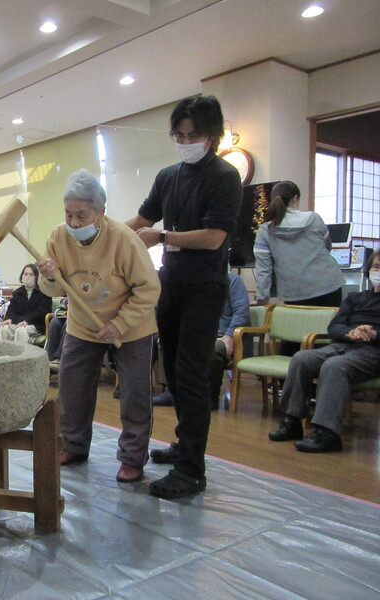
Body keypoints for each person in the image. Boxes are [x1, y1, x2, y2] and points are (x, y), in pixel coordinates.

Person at [126, 95, 242, 499]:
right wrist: (95, 233)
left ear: (212, 134)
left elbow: (214, 238)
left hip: (204, 289)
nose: (186, 141)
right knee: (173, 373)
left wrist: (163, 237)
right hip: (169, 285)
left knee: (192, 374)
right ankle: (183, 445)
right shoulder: (168, 176)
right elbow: (140, 221)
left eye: (193, 135)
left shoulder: (225, 177)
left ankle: (192, 470)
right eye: (179, 135)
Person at [38, 169, 160, 483]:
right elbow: (53, 289)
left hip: (131, 326)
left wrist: (120, 324)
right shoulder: (58, 237)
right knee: (72, 386)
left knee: (134, 392)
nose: (74, 222)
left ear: (101, 211)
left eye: (81, 215)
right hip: (82, 324)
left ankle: (132, 458)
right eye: (68, 214)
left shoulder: (124, 239)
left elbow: (149, 289)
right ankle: (73, 445)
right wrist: (49, 276)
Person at [268, 249, 380, 453]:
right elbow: (334, 326)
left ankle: (328, 433)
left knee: (334, 366)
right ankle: (292, 421)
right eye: (376, 267)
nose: (378, 272)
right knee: (301, 358)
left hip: (373, 352)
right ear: (369, 270)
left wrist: (373, 334)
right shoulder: (355, 298)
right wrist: (350, 333)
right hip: (343, 344)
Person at [254, 180, 344, 355]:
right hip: (328, 285)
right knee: (324, 339)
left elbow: (263, 269)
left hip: (294, 291)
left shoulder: (266, 230)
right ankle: (322, 373)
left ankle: (284, 373)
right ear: (295, 198)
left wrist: (262, 298)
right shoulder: (314, 218)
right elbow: (327, 247)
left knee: (291, 338)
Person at [152, 272, 250, 410]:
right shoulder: (190, 282)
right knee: (166, 340)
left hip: (222, 334)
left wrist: (229, 336)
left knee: (214, 348)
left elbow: (241, 312)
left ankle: (210, 396)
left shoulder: (233, 281)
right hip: (194, 333)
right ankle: (172, 392)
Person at [0, 264, 52, 344]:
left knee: (21, 330)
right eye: (25, 274)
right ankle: (1, 352)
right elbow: (12, 309)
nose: (27, 277)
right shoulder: (17, 293)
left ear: (37, 277)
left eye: (31, 275)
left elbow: (43, 311)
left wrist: (28, 320)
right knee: (2, 329)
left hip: (36, 324)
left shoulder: (44, 292)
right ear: (22, 275)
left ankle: (22, 352)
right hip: (19, 323)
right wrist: (9, 318)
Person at [45, 296, 69, 370]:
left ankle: (59, 359)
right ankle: (50, 358)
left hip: (81, 318)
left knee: (68, 324)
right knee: (54, 322)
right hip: (67, 314)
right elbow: (63, 304)